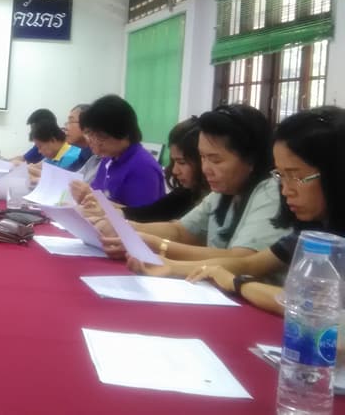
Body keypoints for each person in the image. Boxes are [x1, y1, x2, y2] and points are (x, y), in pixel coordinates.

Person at [128, 107, 345, 315]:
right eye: (281, 175)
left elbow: (312, 306)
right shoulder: (314, 228)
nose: (285, 190)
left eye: (296, 176)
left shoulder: (267, 191)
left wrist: (238, 283)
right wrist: (173, 267)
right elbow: (250, 264)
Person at [97, 104, 287, 262]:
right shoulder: (223, 192)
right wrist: (126, 227)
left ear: (251, 159)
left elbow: (240, 259)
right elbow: (180, 231)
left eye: (216, 160)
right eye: (203, 157)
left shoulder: (270, 191)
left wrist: (156, 245)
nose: (206, 168)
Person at [81, 117, 209, 223]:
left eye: (182, 162)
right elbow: (149, 212)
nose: (175, 171)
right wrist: (103, 206)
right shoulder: (185, 193)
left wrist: (110, 212)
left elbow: (153, 219)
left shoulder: (143, 165)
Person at [69, 95, 165, 208]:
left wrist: (94, 199)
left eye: (100, 136)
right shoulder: (109, 157)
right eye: (90, 134)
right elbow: (97, 196)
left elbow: (142, 216)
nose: (93, 141)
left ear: (123, 132)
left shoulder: (143, 168)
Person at [64, 103, 99, 182]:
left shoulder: (99, 155)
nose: (66, 128)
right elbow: (69, 175)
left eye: (71, 121)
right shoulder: (84, 153)